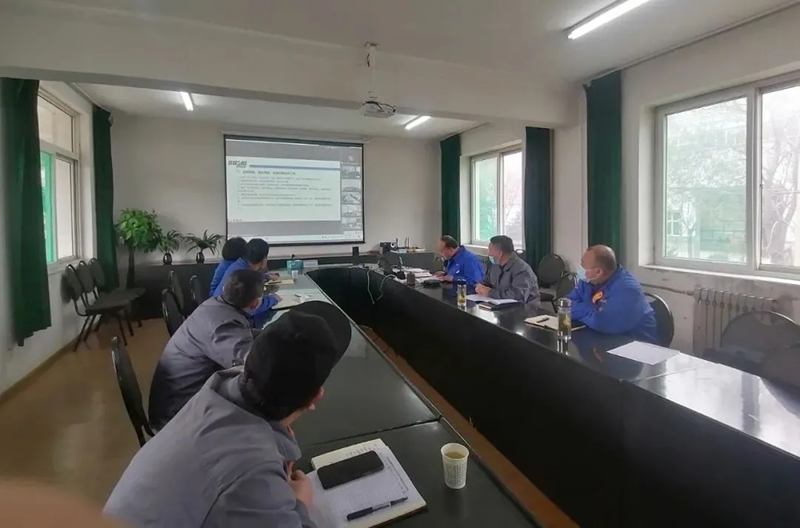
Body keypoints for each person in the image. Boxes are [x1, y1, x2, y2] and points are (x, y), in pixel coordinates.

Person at [105, 301, 352, 528]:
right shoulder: (252, 468)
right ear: (315, 397)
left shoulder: (215, 389)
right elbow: (250, 473)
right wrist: (301, 503)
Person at [149, 269, 266, 431]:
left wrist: (272, 333)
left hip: (182, 397)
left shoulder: (215, 305)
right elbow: (251, 365)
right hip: (179, 415)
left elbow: (242, 333)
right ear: (255, 304)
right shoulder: (223, 325)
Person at [567, 245, 658, 343]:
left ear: (598, 272)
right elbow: (566, 305)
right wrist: (593, 309)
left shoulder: (628, 289)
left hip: (635, 344)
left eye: (583, 265)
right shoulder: (588, 280)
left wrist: (580, 311)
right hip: (599, 338)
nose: (580, 268)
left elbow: (601, 322)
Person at [212, 238, 280, 326]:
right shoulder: (245, 275)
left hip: (217, 311)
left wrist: (266, 277)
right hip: (229, 320)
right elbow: (253, 306)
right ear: (263, 259)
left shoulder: (240, 264)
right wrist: (274, 299)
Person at [476, 235, 540, 307]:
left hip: (525, 309)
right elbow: (486, 281)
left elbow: (517, 296)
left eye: (490, 250)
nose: (489, 254)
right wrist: (479, 286)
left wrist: (490, 293)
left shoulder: (522, 270)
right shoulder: (495, 266)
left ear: (500, 253)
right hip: (500, 307)